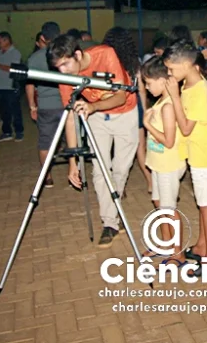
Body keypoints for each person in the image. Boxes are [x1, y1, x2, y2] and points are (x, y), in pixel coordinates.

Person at [48, 34, 139, 247]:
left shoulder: (105, 54)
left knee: (120, 169)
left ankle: (114, 211)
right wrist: (72, 163)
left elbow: (120, 96)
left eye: (65, 63)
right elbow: (70, 117)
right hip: (96, 118)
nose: (63, 71)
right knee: (100, 171)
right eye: (58, 67)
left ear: (77, 54)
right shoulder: (65, 77)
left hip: (125, 113)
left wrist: (93, 106)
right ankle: (110, 223)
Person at [163, 41, 207, 272]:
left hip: (205, 155)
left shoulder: (198, 90)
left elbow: (186, 127)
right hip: (200, 153)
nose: (169, 74)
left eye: (171, 69)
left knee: (206, 205)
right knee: (205, 204)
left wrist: (173, 96)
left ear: (185, 64)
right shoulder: (190, 86)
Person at [140, 56, 188, 260]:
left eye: (149, 83)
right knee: (160, 204)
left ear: (162, 81)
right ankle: (167, 245)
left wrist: (147, 125)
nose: (147, 87)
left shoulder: (168, 106)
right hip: (159, 164)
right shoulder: (161, 101)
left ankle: (178, 253)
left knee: (169, 210)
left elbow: (169, 141)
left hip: (169, 164)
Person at [101, 27, 153, 195]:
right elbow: (141, 90)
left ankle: (115, 186)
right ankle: (150, 182)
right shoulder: (134, 62)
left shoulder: (104, 61)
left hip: (110, 105)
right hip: (132, 106)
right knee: (139, 147)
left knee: (109, 150)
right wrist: (145, 110)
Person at [26, 22, 62, 187]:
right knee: (72, 138)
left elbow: (29, 84)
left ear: (42, 38)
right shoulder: (63, 53)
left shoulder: (34, 58)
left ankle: (47, 176)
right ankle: (76, 171)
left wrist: (32, 106)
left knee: (45, 141)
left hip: (46, 106)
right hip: (65, 104)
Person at [0, 32, 24, 142]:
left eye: (0, 41)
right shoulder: (0, 53)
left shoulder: (15, 53)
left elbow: (12, 69)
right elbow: (1, 68)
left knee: (15, 111)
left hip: (11, 86)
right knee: (4, 111)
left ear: (6, 41)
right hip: (1, 86)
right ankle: (7, 132)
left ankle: (19, 131)